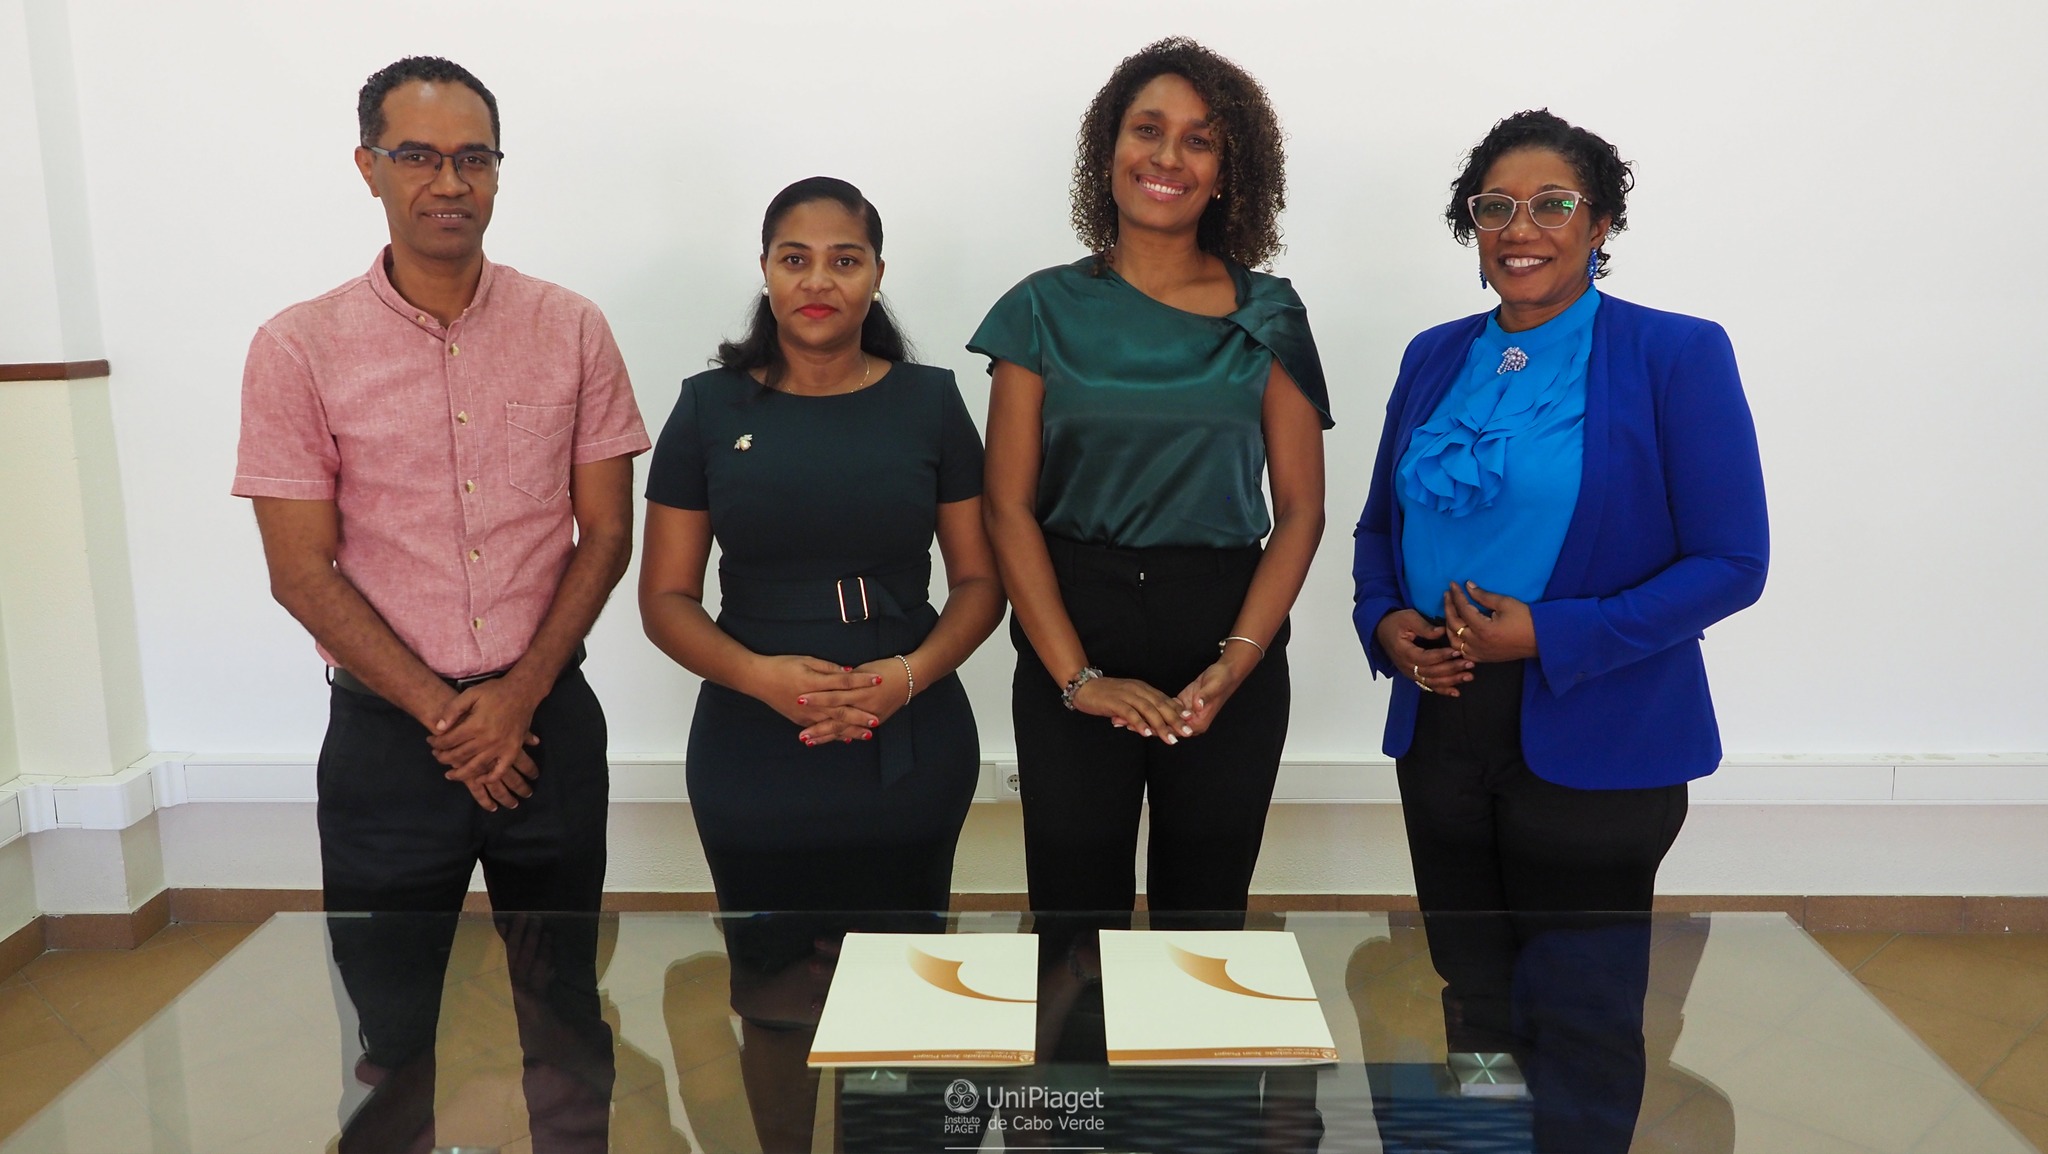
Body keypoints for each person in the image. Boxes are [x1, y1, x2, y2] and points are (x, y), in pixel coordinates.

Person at [233, 55, 644, 1147]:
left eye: (473, 158)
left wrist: (516, 699)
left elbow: (606, 533)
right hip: (385, 747)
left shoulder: (571, 327)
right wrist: (450, 715)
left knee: (565, 1011)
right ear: (368, 167)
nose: (448, 182)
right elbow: (300, 569)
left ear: (499, 172)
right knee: (389, 1031)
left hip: (546, 723)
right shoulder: (298, 346)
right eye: (417, 155)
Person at [1350, 108, 1769, 918]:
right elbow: (1380, 527)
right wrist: (1383, 619)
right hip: (1440, 721)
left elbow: (1732, 565)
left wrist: (1548, 634)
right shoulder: (1433, 354)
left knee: (1579, 982)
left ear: (1599, 223)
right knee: (1467, 974)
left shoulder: (1676, 354)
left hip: (1603, 723)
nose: (1520, 228)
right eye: (1495, 207)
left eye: (1552, 204)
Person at [973, 37, 1331, 919]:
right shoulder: (1039, 309)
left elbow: (1300, 512)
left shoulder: (1270, 313)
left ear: (1228, 173)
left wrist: (1237, 662)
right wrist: (1076, 678)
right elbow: (1007, 508)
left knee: (1204, 919)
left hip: (1226, 628)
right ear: (1109, 150)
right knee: (1072, 921)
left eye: (1199, 140)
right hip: (1072, 618)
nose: (1168, 156)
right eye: (1148, 130)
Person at [638, 176, 1004, 915]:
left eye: (845, 260)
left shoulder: (931, 401)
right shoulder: (708, 406)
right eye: (794, 259)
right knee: (765, 972)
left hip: (908, 725)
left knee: (905, 973)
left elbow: (981, 583)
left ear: (877, 273)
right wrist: (759, 677)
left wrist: (907, 676)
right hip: (752, 736)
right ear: (766, 269)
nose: (817, 281)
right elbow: (665, 600)